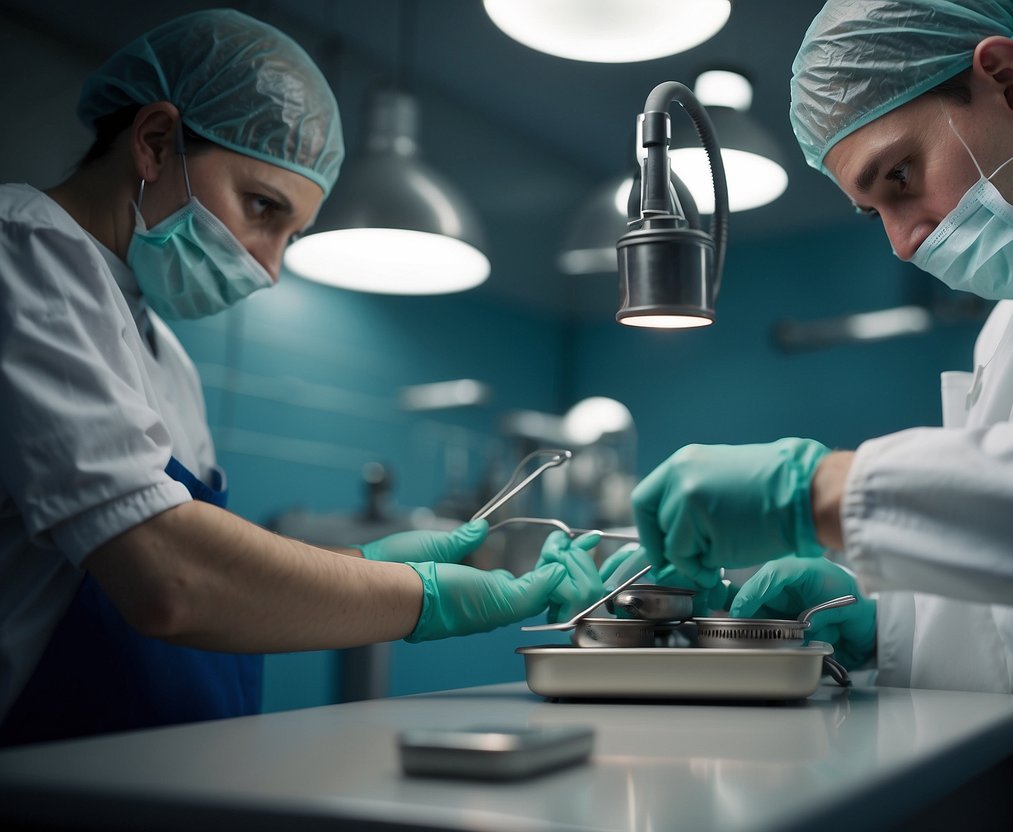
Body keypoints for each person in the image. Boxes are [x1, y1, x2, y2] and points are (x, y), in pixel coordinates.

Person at [630, 1, 1013, 829]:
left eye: (898, 177)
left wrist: (815, 490)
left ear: (1008, 80)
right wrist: (888, 618)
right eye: (873, 213)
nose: (901, 243)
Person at [0, 9, 588, 747]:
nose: (269, 266)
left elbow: (215, 561)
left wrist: (363, 563)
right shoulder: (23, 252)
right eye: (262, 208)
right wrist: (420, 598)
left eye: (292, 234)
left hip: (153, 764)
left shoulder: (163, 352)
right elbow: (170, 579)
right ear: (154, 142)